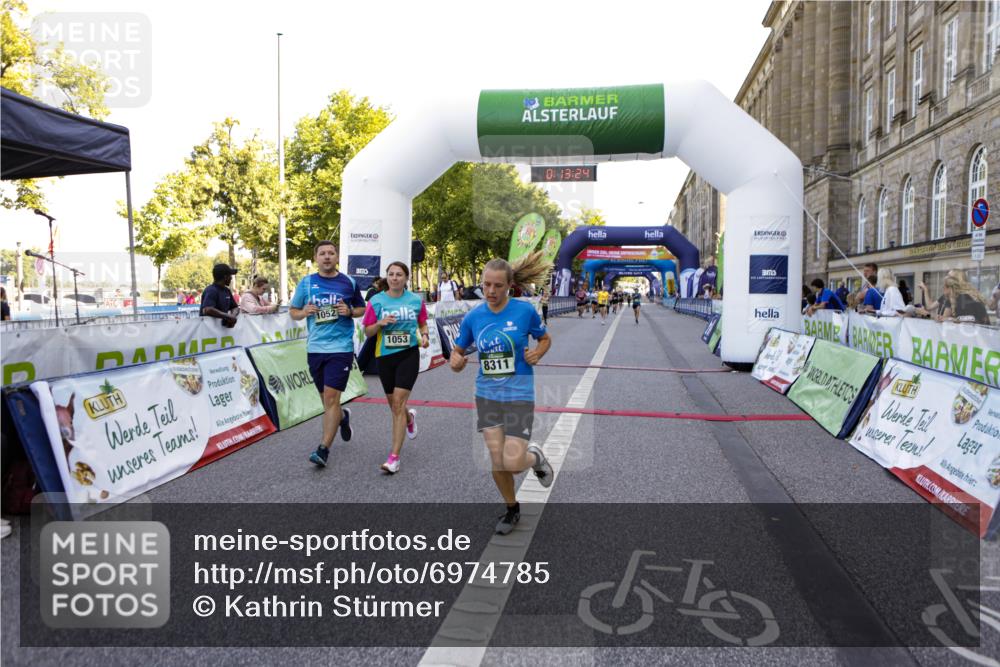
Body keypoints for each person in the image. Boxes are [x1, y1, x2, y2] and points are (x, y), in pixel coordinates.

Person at [450, 258, 553, 535]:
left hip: (519, 394)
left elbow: (544, 339)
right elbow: (458, 350)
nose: (491, 290)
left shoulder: (524, 311)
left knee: (513, 463)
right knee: (497, 460)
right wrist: (456, 360)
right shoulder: (473, 317)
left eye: (498, 285)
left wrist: (538, 352)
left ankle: (535, 458)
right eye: (486, 284)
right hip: (487, 395)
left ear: (510, 286)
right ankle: (511, 509)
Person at [289, 241, 366, 468]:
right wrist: (304, 312)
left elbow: (361, 308)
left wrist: (350, 311)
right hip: (315, 349)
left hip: (340, 349)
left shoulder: (348, 282)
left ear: (337, 257)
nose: (327, 257)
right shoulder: (307, 283)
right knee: (327, 402)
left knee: (332, 399)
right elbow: (293, 312)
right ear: (316, 258)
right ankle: (343, 417)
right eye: (322, 253)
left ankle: (323, 449)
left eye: (331, 253)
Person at [362, 261, 430, 474]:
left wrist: (425, 336)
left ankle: (394, 458)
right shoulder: (376, 301)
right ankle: (409, 418)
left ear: (406, 278)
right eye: (391, 274)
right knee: (394, 406)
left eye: (399, 274)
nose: (394, 278)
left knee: (398, 404)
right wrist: (380, 324)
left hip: (408, 355)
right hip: (384, 356)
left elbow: (422, 323)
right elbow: (368, 332)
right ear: (387, 277)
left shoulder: (415, 301)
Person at [200, 264, 240, 328]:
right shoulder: (211, 290)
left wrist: (233, 316)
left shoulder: (227, 291)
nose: (231, 278)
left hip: (222, 332)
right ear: (225, 277)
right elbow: (207, 309)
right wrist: (227, 316)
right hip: (207, 331)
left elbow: (235, 307)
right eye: (230, 275)